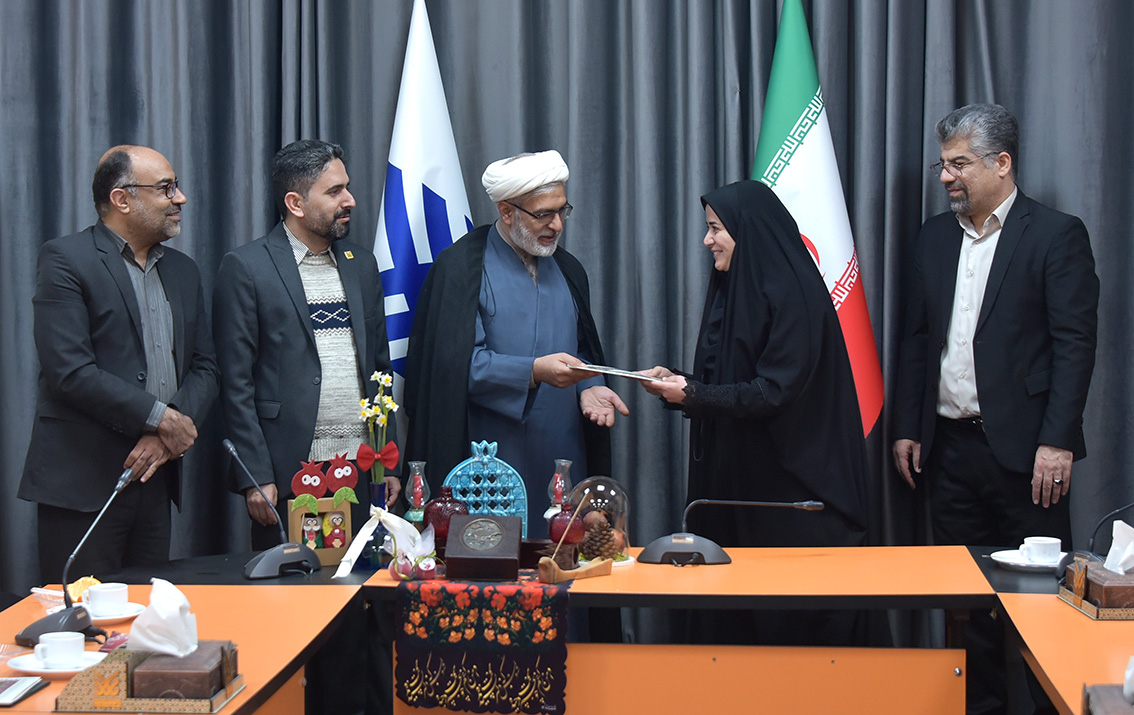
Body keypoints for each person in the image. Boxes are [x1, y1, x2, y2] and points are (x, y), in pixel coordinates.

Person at [892, 104, 1098, 714]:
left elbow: (1074, 345)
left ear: (1002, 163)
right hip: (949, 452)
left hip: (1029, 456)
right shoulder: (933, 237)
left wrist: (1057, 440)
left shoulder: (1056, 234)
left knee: (1041, 603)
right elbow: (918, 339)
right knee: (966, 603)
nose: (945, 177)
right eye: (943, 164)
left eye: (959, 164)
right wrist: (908, 425)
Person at [640, 179, 873, 646]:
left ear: (747, 232)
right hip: (744, 486)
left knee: (784, 634)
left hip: (792, 499)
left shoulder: (793, 294)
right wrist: (680, 383)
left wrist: (695, 396)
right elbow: (734, 376)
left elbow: (772, 391)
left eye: (715, 229)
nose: (706, 241)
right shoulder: (735, 289)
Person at [18, 145, 219, 584]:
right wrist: (163, 419)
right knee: (84, 617)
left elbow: (205, 366)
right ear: (122, 199)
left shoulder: (183, 270)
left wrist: (167, 437)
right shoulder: (66, 259)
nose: (180, 198)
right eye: (166, 188)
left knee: (147, 615)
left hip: (154, 478)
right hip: (82, 483)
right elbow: (69, 371)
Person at [405, 150, 628, 531]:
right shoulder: (460, 269)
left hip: (561, 449)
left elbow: (582, 349)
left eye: (562, 210)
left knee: (562, 551)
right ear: (507, 212)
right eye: (543, 214)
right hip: (489, 457)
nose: (557, 225)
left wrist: (589, 385)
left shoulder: (569, 269)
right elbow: (453, 369)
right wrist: (534, 371)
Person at [213, 139, 400, 551]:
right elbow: (236, 384)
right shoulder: (247, 267)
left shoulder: (361, 264)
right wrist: (256, 474)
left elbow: (380, 369)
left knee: (363, 580)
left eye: (347, 187)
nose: (350, 200)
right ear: (295, 203)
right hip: (287, 472)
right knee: (294, 583)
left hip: (362, 466)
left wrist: (388, 458)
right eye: (335, 191)